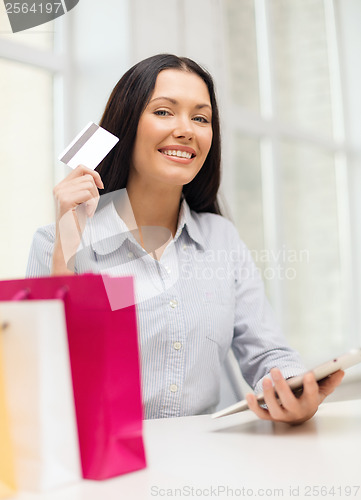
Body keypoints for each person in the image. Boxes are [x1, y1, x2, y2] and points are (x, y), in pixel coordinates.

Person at [26, 54, 344, 423]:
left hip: (204, 461)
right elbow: (39, 372)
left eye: (201, 118)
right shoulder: (54, 243)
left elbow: (266, 353)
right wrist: (67, 247)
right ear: (127, 124)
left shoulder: (221, 238)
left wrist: (294, 390)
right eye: (163, 112)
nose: (186, 129)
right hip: (105, 466)